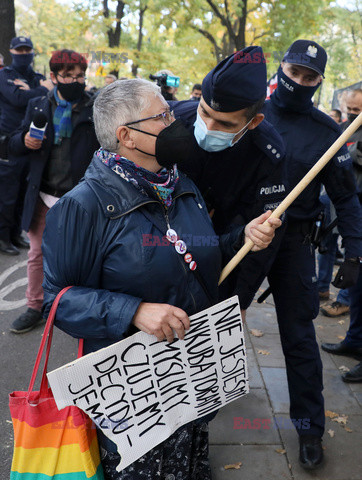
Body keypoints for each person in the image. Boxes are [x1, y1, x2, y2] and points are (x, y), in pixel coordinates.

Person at [41, 78, 281, 478]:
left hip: (189, 376)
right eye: (163, 115)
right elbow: (57, 299)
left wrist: (243, 238)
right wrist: (134, 311)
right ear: (126, 136)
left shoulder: (180, 184)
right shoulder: (81, 207)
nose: (176, 123)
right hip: (132, 395)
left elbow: (196, 251)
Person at [262, 39, 362, 469]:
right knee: (213, 327)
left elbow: (347, 199)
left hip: (295, 245)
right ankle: (202, 415)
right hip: (237, 241)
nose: (298, 81)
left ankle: (309, 429)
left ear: (319, 82)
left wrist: (354, 253)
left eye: (309, 77)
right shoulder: (247, 115)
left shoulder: (328, 134)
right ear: (280, 68)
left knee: (300, 338)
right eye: (294, 71)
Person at [8, 49, 99, 334]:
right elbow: (13, 143)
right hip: (43, 195)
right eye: (68, 76)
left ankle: (81, 308)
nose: (75, 81)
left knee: (81, 255)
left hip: (80, 198)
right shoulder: (38, 104)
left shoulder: (94, 107)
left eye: (80, 75)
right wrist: (24, 141)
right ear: (53, 77)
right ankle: (35, 306)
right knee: (37, 254)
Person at [321, 88, 362, 382]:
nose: (350, 117)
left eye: (356, 112)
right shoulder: (348, 130)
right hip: (355, 215)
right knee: (358, 286)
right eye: (348, 111)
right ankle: (355, 340)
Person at [0, 36, 53, 255]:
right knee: (7, 191)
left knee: (24, 189)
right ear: (12, 52)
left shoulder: (37, 76)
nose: (23, 55)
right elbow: (18, 99)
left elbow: (49, 94)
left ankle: (14, 234)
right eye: (19, 51)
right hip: (9, 141)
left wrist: (30, 89)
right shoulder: (5, 75)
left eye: (26, 51)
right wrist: (39, 89)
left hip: (33, 139)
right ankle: (2, 237)